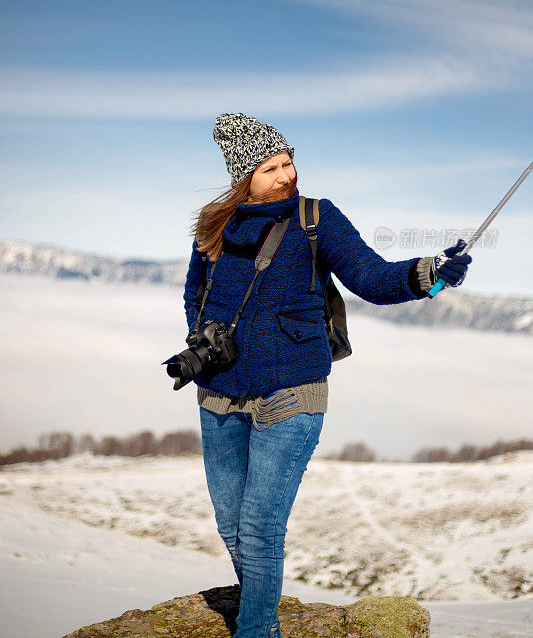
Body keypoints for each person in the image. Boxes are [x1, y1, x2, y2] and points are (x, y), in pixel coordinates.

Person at [183, 112, 472, 638]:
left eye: (289, 161)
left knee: (260, 528)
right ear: (243, 177)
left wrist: (428, 272)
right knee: (232, 529)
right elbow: (195, 294)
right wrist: (202, 342)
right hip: (219, 394)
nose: (286, 174)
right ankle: (258, 607)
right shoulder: (216, 224)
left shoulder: (317, 218)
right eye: (271, 167)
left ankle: (257, 629)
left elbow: (371, 277)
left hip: (291, 392)